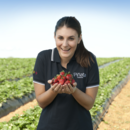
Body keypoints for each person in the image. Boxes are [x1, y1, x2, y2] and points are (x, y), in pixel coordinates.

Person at [33, 16, 100, 130]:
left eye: (71, 38)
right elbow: (41, 102)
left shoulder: (89, 60)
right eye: (60, 38)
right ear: (54, 37)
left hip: (80, 126)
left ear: (79, 39)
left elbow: (89, 104)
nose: (65, 44)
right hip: (49, 126)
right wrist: (53, 90)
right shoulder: (43, 58)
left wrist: (74, 91)